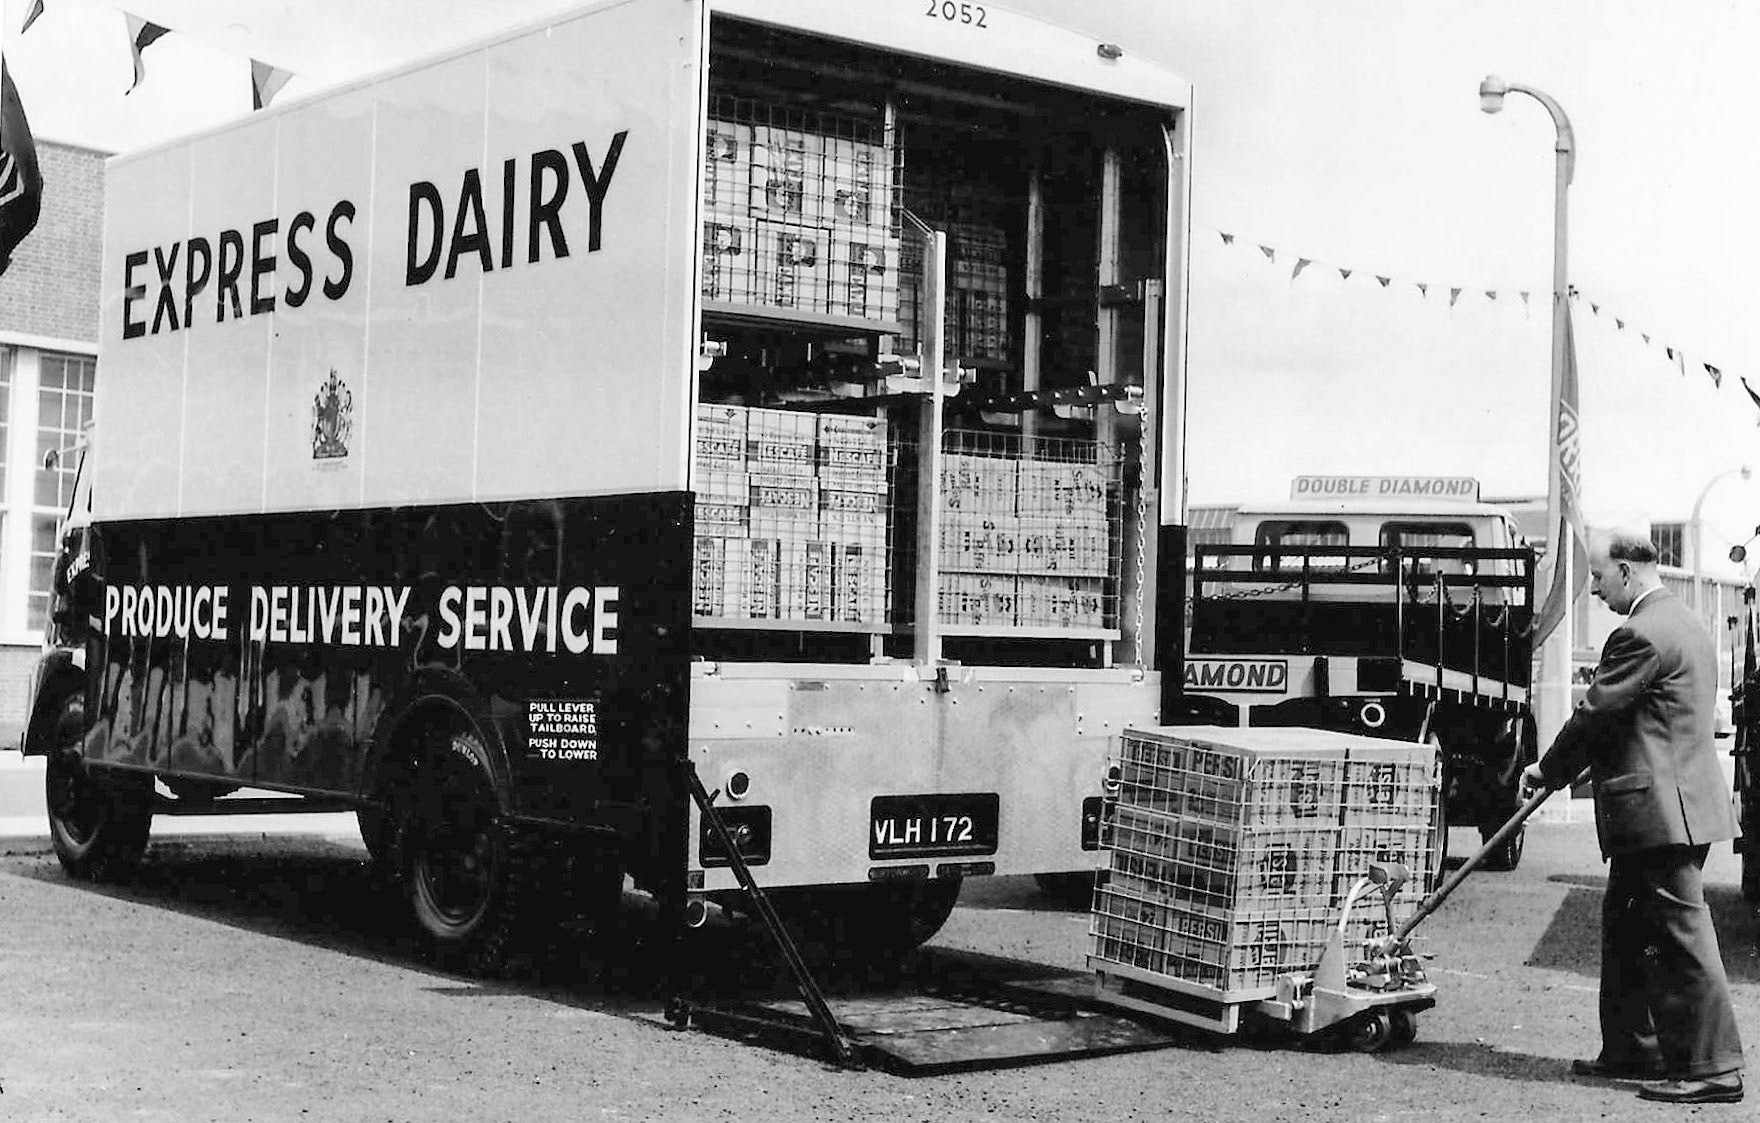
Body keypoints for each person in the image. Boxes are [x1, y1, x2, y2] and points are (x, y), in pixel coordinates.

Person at [1520, 529, 1745, 1104]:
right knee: (1626, 929)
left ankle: (1715, 1069)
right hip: (1674, 805)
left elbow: (1597, 714)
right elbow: (1646, 721)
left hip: (1660, 811)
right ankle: (1632, 1048)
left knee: (1680, 938)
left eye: (1597, 578)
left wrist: (1548, 769)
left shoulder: (1639, 634)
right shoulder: (1687, 622)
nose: (1594, 591)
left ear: (1626, 571)